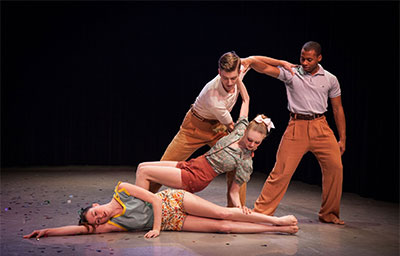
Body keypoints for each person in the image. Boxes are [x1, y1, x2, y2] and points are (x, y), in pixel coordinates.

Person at [150, 51, 292, 207]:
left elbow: (254, 60)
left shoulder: (240, 68)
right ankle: (140, 201)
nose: (230, 83)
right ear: (219, 72)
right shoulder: (213, 96)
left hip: (218, 127)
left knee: (239, 163)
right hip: (195, 127)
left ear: (239, 71)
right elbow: (233, 127)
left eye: (233, 78)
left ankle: (235, 212)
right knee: (164, 164)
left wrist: (281, 62)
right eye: (225, 78)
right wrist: (246, 143)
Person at [241, 41, 346, 224]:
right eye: (302, 58)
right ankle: (262, 213)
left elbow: (337, 109)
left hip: (321, 126)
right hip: (297, 126)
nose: (304, 63)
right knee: (281, 171)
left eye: (309, 59)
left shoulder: (330, 79)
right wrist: (272, 62)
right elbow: (261, 66)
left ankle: (329, 214)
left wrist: (342, 138)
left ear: (319, 58)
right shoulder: (292, 73)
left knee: (336, 168)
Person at [135, 75, 274, 211]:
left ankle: (137, 212)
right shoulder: (239, 129)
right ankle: (139, 209)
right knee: (142, 167)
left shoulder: (246, 161)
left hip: (196, 177)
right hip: (192, 165)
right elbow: (246, 99)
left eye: (257, 143)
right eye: (250, 140)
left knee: (145, 172)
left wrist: (240, 208)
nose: (251, 145)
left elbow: (234, 192)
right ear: (245, 132)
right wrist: (237, 78)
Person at [24, 181, 299, 239]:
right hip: (173, 223)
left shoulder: (121, 190)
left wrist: (155, 228)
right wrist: (47, 231)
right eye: (95, 223)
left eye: (95, 215)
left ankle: (276, 219)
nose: (99, 220)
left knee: (223, 213)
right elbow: (79, 230)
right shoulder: (111, 226)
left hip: (172, 202)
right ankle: (279, 230)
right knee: (223, 228)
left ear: (96, 206)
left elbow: (155, 201)